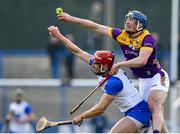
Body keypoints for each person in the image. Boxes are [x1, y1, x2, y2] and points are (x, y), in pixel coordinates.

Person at [57, 10, 169, 133]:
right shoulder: (121, 35)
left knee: (154, 106)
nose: (127, 21)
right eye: (127, 19)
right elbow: (94, 27)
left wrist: (120, 64)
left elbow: (142, 60)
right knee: (153, 116)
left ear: (140, 25)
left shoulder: (147, 38)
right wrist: (70, 19)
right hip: (143, 81)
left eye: (132, 20)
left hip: (156, 76)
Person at [48, 25, 151, 133]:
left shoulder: (114, 82)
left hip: (138, 113)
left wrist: (82, 116)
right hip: (132, 113)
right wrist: (59, 36)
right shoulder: (103, 68)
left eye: (96, 64)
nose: (93, 65)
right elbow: (77, 51)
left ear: (105, 66)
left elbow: (101, 108)